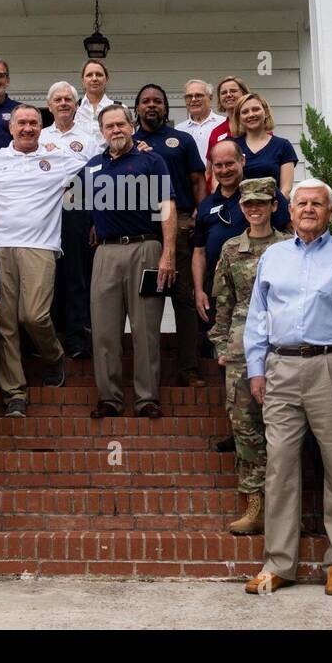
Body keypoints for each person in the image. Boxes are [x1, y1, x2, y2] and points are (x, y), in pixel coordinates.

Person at [242, 179, 332, 597]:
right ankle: (279, 563)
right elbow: (257, 316)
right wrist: (256, 367)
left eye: (317, 204)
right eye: (301, 202)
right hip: (281, 368)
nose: (308, 209)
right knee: (280, 466)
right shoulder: (273, 258)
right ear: (290, 208)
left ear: (331, 212)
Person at [0, 104, 89, 417]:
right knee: (7, 325)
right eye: (22, 123)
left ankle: (54, 356)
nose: (27, 128)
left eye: (33, 123)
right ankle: (15, 393)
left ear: (42, 128)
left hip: (41, 247)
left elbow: (99, 153)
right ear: (11, 128)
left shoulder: (61, 158)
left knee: (34, 315)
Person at [208, 177, 289, 535]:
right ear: (241, 208)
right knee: (244, 424)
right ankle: (254, 501)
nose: (255, 209)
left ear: (273, 206)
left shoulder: (289, 246)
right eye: (248, 204)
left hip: (285, 341)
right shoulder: (230, 249)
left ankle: (285, 503)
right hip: (242, 343)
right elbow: (222, 302)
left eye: (261, 203)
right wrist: (221, 345)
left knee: (285, 424)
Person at [87, 104, 176, 418]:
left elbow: (166, 206)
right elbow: (84, 206)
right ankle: (109, 398)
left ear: (131, 126)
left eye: (120, 125)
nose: (115, 130)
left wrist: (168, 253)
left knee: (146, 328)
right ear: (102, 131)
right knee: (104, 330)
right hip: (106, 254)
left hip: (146, 249)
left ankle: (146, 398)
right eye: (109, 126)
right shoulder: (93, 165)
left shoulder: (151, 160)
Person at [132, 83, 206, 388]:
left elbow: (198, 180)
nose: (152, 106)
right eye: (146, 101)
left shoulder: (182, 140)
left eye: (158, 102)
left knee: (183, 297)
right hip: (142, 229)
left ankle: (188, 369)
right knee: (146, 301)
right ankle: (149, 372)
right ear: (136, 109)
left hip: (180, 224)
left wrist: (199, 215)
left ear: (166, 107)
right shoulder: (129, 141)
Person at [192, 139, 290, 330]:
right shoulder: (206, 205)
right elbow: (199, 252)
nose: (224, 170)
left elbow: (290, 233)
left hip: (262, 285)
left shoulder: (262, 196)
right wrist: (199, 290)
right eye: (218, 165)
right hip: (220, 289)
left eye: (229, 163)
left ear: (242, 161)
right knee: (221, 345)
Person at [42, 81, 101, 359]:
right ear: (50, 105)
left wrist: (95, 221)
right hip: (44, 213)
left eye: (69, 99)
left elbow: (99, 182)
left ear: (76, 105)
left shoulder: (90, 138)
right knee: (48, 273)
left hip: (78, 210)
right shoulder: (39, 137)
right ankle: (48, 337)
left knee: (77, 273)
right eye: (58, 99)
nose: (64, 103)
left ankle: (77, 336)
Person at [233, 92, 297, 199]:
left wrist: (273, 208)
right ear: (239, 118)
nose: (251, 114)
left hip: (274, 209)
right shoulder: (233, 146)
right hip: (238, 210)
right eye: (245, 112)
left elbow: (286, 189)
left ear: (266, 112)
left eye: (255, 109)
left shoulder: (283, 145)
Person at [205, 76, 250, 188]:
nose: (228, 95)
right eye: (224, 93)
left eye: (233, 91)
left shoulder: (256, 126)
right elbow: (209, 171)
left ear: (244, 94)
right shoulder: (217, 132)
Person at [176, 78, 224, 169]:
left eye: (199, 95)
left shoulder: (223, 123)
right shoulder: (178, 129)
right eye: (189, 96)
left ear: (210, 97)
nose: (193, 99)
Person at [74, 58, 115, 140]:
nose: (94, 79)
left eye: (99, 74)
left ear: (106, 79)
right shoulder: (73, 109)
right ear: (83, 81)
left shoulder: (119, 108)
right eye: (89, 75)